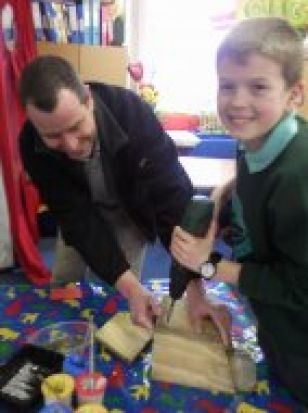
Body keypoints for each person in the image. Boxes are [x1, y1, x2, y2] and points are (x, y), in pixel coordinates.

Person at [171, 17, 308, 407]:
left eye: (258, 87)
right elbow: (252, 171)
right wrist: (220, 196)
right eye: (226, 85)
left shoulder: (298, 179)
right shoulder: (257, 135)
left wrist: (210, 266)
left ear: (294, 94)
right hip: (274, 322)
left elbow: (301, 287)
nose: (237, 102)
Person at [18, 55, 193, 331]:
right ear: (33, 123)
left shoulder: (132, 113)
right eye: (53, 136)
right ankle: (65, 343)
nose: (72, 145)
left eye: (76, 126)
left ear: (88, 99)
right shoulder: (30, 144)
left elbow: (170, 197)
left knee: (123, 297)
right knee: (63, 285)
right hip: (80, 213)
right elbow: (77, 218)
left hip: (130, 213)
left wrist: (192, 281)